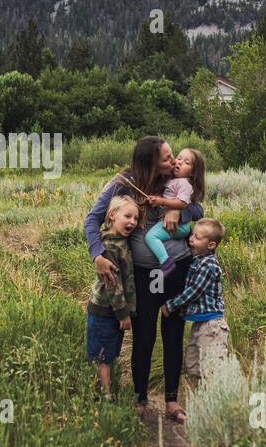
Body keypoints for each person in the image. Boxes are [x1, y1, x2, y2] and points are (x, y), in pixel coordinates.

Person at [83, 136, 203, 421]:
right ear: (149, 163)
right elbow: (92, 219)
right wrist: (98, 255)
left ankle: (172, 401)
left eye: (173, 156)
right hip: (146, 273)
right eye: (166, 158)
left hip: (178, 267)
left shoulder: (174, 179)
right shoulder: (124, 182)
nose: (173, 162)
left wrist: (178, 209)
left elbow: (198, 208)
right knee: (144, 335)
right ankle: (140, 399)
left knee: (173, 331)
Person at [160, 218, 229, 384]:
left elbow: (193, 292)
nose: (191, 239)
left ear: (211, 245)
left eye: (197, 238)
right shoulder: (197, 260)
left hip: (212, 325)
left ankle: (216, 403)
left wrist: (171, 305)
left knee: (211, 368)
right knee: (194, 365)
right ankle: (203, 400)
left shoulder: (209, 265)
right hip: (200, 323)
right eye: (192, 235)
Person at [85, 195, 140, 399]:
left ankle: (102, 390)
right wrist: (123, 314)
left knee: (109, 351)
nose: (132, 222)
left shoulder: (122, 241)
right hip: (105, 311)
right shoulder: (109, 246)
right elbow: (112, 285)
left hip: (113, 312)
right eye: (127, 216)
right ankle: (104, 395)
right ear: (111, 216)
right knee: (103, 356)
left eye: (135, 218)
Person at [144, 148, 206, 278]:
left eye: (186, 162)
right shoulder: (171, 180)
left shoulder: (184, 183)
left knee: (151, 237)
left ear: (193, 173)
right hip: (173, 227)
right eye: (179, 158)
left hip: (179, 225)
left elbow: (183, 203)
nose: (179, 162)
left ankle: (166, 263)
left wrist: (163, 202)